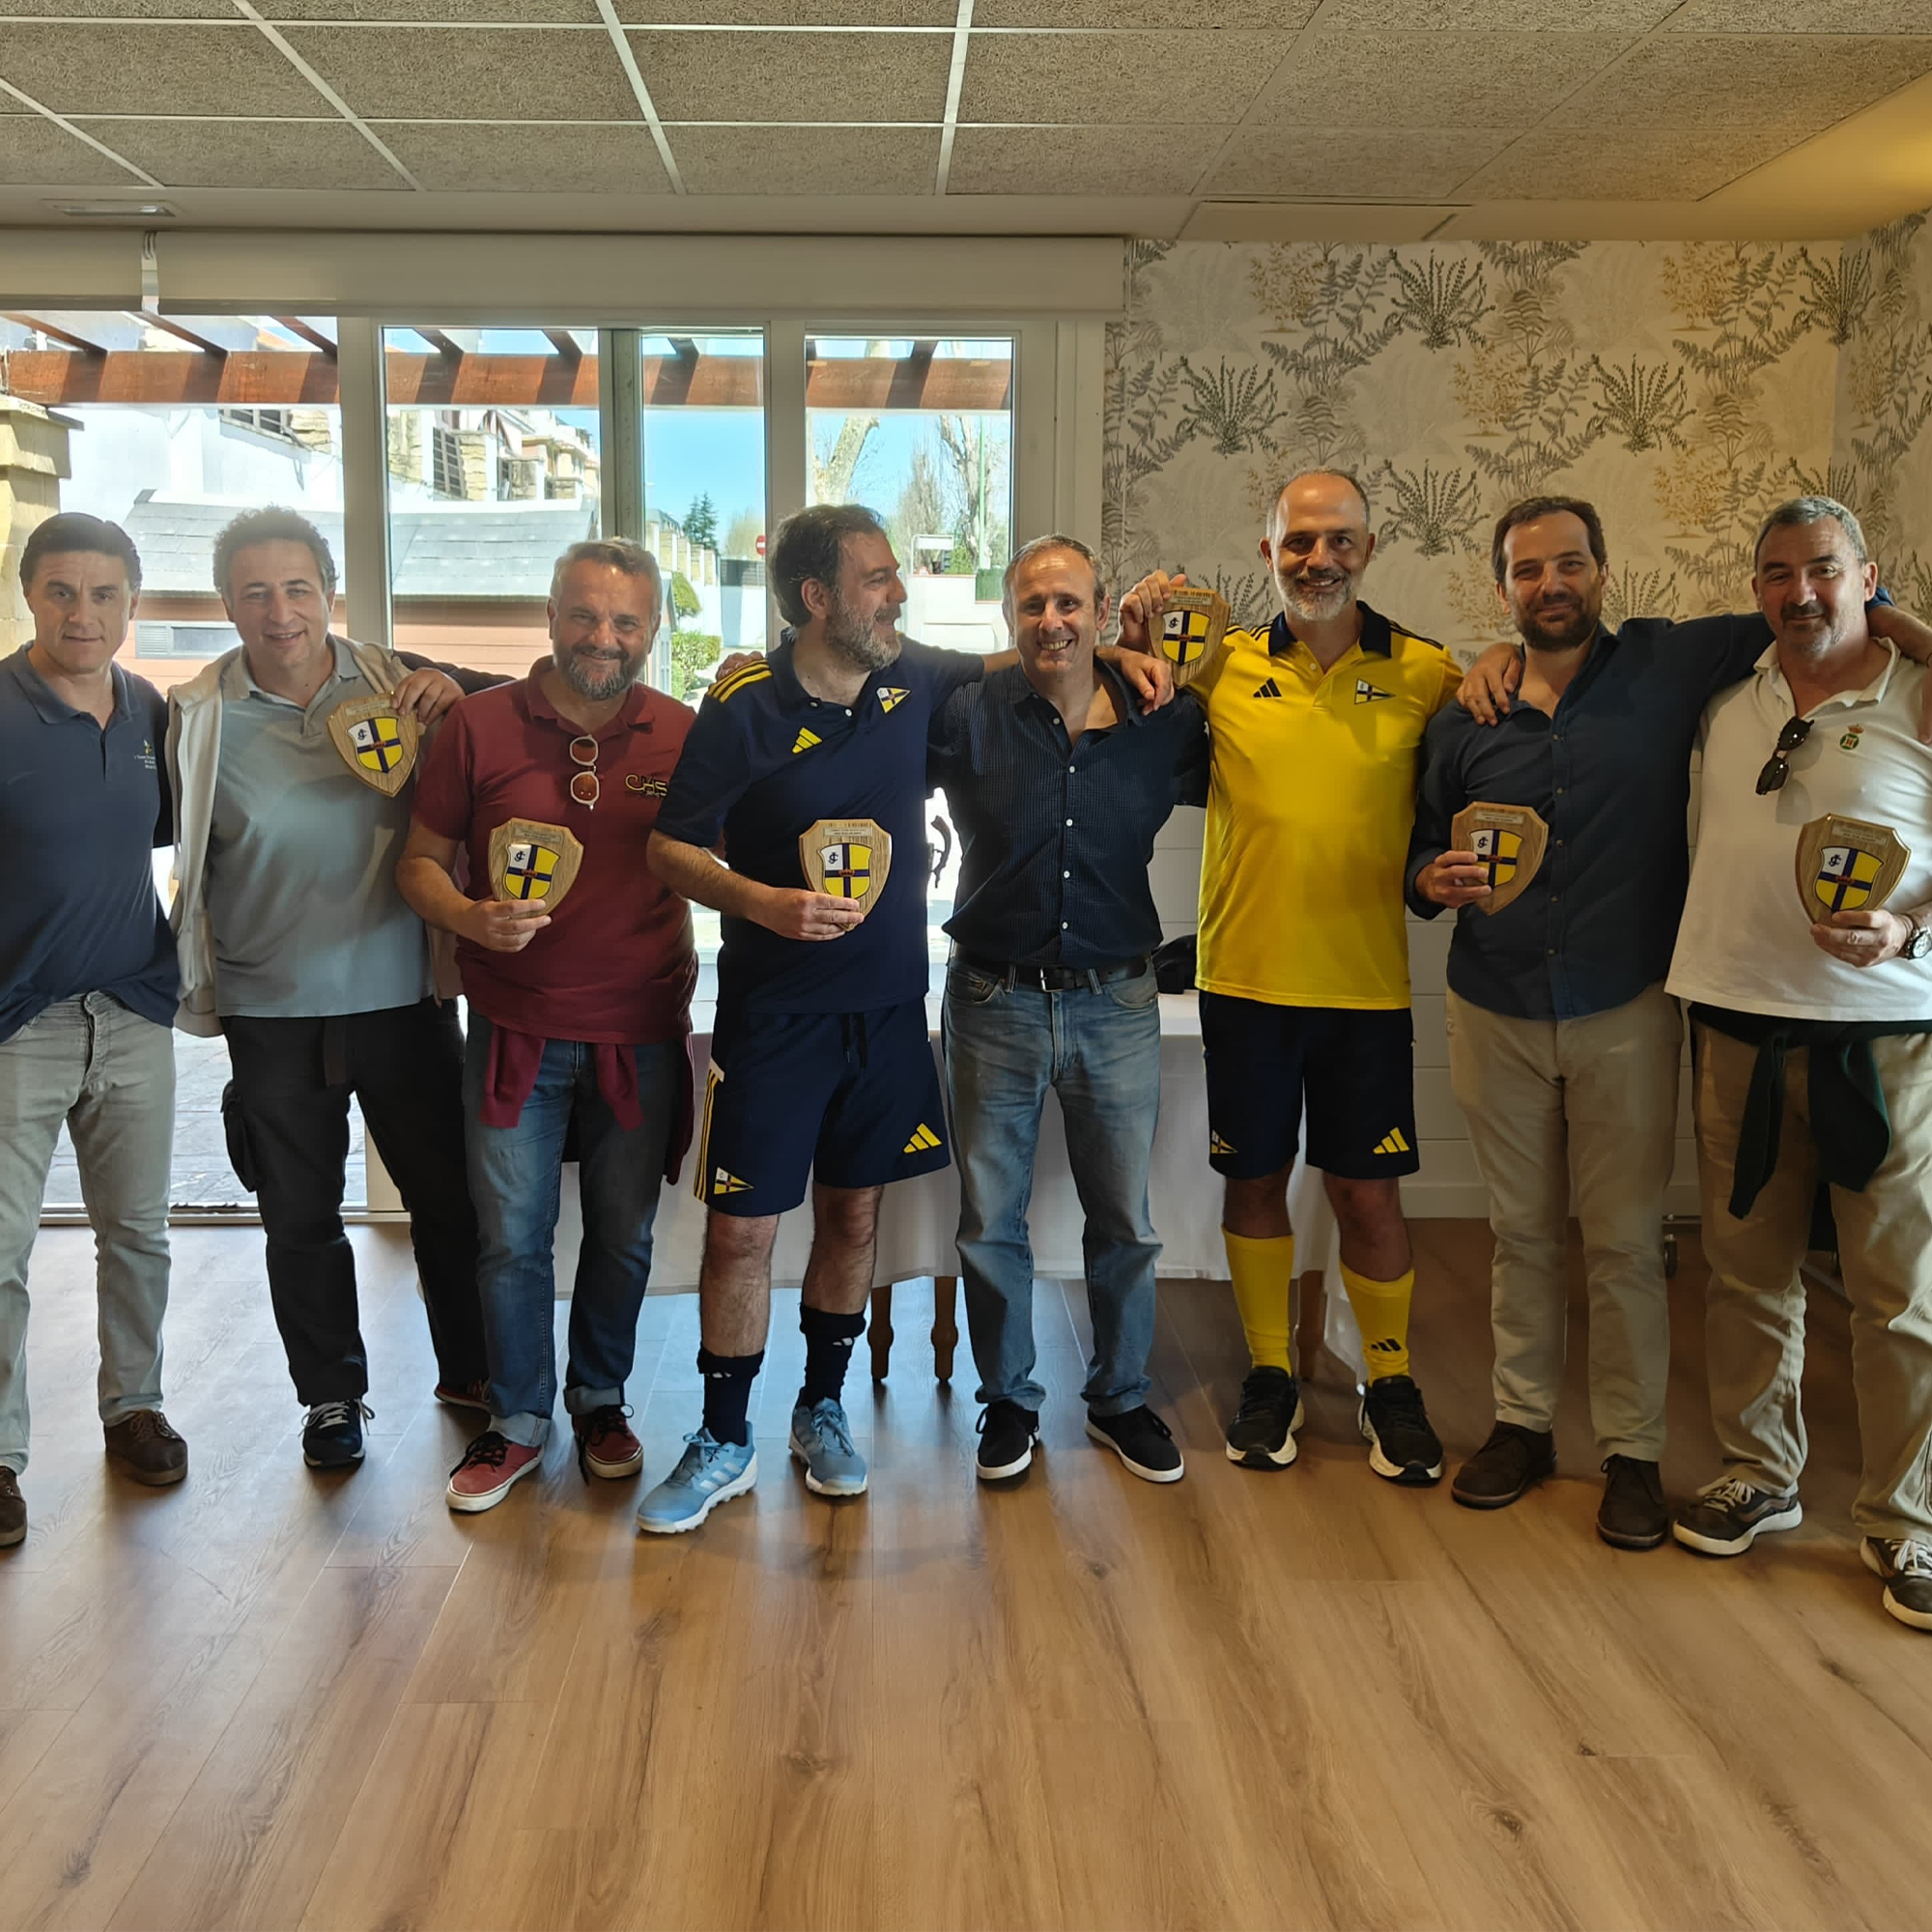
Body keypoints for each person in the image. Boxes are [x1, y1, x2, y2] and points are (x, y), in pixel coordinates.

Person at [638, 504, 1167, 1532]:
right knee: (741, 1235)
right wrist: (760, 901)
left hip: (885, 1013)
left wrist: (1121, 653)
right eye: (876, 578)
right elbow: (668, 846)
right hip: (772, 1019)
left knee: (854, 1220)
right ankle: (722, 1437)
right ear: (816, 598)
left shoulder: (912, 677)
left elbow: (1027, 655)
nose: (897, 593)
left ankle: (820, 1409)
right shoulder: (743, 706)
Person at [1408, 498, 1784, 1548]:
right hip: (1494, 1005)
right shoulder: (1464, 719)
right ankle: (1522, 1425)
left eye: (1569, 563)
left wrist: (1902, 630)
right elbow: (1417, 849)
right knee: (1520, 1233)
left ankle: (1632, 1452)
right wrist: (1429, 879)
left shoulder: (1668, 664)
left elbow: (1808, 606)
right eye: (1527, 571)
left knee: (1623, 1242)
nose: (1550, 585)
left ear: (1603, 571)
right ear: (1500, 589)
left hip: (1626, 1003)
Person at [1121, 471, 1460, 1486]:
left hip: (1365, 989)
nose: (1319, 559)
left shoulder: (1427, 672)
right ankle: (1269, 1371)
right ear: (1267, 550)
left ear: (1369, 546)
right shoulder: (1217, 663)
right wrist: (1132, 635)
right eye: (1299, 541)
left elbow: (1464, 792)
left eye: (1339, 539)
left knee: (1367, 1193)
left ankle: (1389, 1381)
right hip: (1245, 983)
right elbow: (1124, 718)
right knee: (1255, 1179)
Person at [167, 507, 492, 1471]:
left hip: (405, 999)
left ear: (329, 592)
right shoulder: (197, 714)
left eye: (298, 588)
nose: (281, 613)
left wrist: (459, 696)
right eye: (256, 592)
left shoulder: (401, 681)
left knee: (449, 1202)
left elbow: (537, 707)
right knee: (299, 1218)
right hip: (271, 1008)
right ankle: (331, 1396)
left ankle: (472, 1371)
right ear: (227, 604)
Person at [1664, 496, 1932, 1632]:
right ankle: (1756, 1470)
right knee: (1743, 1273)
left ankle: (1906, 1519)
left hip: (1886, 1039)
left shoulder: (1918, 694)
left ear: (1866, 574)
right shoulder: (1726, 701)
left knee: (1899, 1294)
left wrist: (1905, 929)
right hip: (1736, 1022)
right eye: (1775, 573)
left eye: (1821, 568)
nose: (1798, 591)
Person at [398, 541, 696, 1513]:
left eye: (626, 621)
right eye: (585, 615)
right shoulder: (479, 726)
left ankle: (601, 1399)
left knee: (623, 1235)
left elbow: (729, 853)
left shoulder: (683, 732)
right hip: (513, 1029)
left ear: (653, 630)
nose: (604, 637)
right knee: (510, 1240)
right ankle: (520, 1417)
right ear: (551, 615)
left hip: (640, 1031)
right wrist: (468, 916)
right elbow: (419, 862)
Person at [929, 534, 1208, 1486]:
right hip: (990, 999)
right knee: (989, 1220)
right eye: (1032, 604)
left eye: (1068, 604)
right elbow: (870, 708)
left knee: (1124, 1221)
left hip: (1116, 1003)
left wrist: (1142, 650)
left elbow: (1266, 762)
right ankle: (1007, 1400)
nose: (1051, 621)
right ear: (1010, 616)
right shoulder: (966, 714)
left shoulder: (1163, 716)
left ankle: (1119, 1398)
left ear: (1097, 609)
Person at [0, 515, 183, 1546]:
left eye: (104, 594)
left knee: (139, 1233)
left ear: (130, 602)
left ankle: (135, 1408)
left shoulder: (149, 710)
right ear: (29, 594)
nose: (83, 613)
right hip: (14, 1022)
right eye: (62, 591)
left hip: (131, 1010)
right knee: (0, 1252)